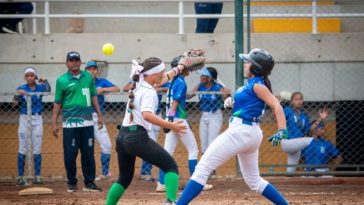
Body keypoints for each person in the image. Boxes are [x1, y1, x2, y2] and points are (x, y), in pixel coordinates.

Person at [176, 48, 289, 205]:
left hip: (241, 132)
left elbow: (276, 105)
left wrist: (282, 129)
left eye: (248, 62)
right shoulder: (253, 84)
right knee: (254, 181)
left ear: (256, 67)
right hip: (250, 133)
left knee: (202, 168)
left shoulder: (258, 85)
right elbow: (252, 103)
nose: (244, 64)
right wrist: (233, 102)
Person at [105, 57, 194, 205]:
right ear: (152, 74)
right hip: (136, 137)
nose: (163, 74)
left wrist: (179, 68)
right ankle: (170, 202)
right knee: (170, 166)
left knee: (124, 178)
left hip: (122, 136)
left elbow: (163, 78)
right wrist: (171, 125)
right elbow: (147, 115)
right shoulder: (150, 92)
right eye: (161, 72)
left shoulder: (139, 84)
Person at [156, 57, 213, 193]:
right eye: (186, 66)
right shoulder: (181, 82)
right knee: (193, 150)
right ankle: (198, 183)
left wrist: (168, 120)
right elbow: (175, 102)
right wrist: (170, 119)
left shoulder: (173, 81)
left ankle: (161, 183)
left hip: (173, 118)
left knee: (167, 152)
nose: (189, 69)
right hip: (177, 119)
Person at [52, 51, 103, 192]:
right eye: (71, 60)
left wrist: (99, 115)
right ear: (66, 63)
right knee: (70, 154)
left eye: (76, 60)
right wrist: (54, 123)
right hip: (70, 124)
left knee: (88, 153)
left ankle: (89, 183)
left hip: (87, 123)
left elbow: (93, 97)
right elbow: (57, 103)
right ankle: (71, 183)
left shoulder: (88, 77)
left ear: (80, 62)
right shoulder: (61, 80)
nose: (74, 62)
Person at [123, 80, 170, 181]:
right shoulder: (140, 81)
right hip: (143, 116)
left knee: (152, 142)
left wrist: (159, 88)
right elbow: (126, 88)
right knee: (149, 143)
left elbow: (170, 88)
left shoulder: (159, 81)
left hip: (156, 115)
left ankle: (146, 172)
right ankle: (145, 172)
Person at [187, 67, 230, 176]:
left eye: (203, 75)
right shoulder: (200, 86)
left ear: (210, 78)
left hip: (215, 115)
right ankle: (205, 168)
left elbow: (227, 100)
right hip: (204, 115)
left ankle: (212, 169)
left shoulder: (218, 87)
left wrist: (226, 93)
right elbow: (188, 96)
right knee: (204, 144)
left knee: (212, 142)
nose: (201, 77)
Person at [14, 67, 50, 186]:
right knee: (22, 147)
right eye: (27, 75)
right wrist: (17, 94)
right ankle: (20, 176)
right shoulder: (22, 88)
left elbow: (48, 90)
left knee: (37, 148)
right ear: (25, 77)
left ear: (35, 77)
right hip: (24, 119)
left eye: (32, 75)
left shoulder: (40, 87)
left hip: (37, 118)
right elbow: (14, 103)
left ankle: (37, 176)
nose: (29, 77)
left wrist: (45, 80)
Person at [85, 61, 120, 180]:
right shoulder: (82, 82)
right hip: (83, 117)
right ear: (85, 71)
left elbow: (117, 88)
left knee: (107, 145)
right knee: (86, 147)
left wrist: (103, 89)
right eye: (89, 69)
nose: (92, 71)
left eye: (94, 69)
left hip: (97, 117)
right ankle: (88, 174)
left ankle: (105, 172)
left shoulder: (101, 82)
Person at [281, 92, 329, 173]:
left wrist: (320, 118)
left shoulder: (304, 115)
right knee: (312, 140)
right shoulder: (288, 110)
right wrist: (277, 106)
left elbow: (309, 130)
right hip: (287, 142)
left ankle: (287, 181)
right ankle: (313, 169)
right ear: (292, 101)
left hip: (296, 146)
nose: (299, 101)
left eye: (300, 99)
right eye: (296, 99)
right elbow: (276, 118)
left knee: (290, 172)